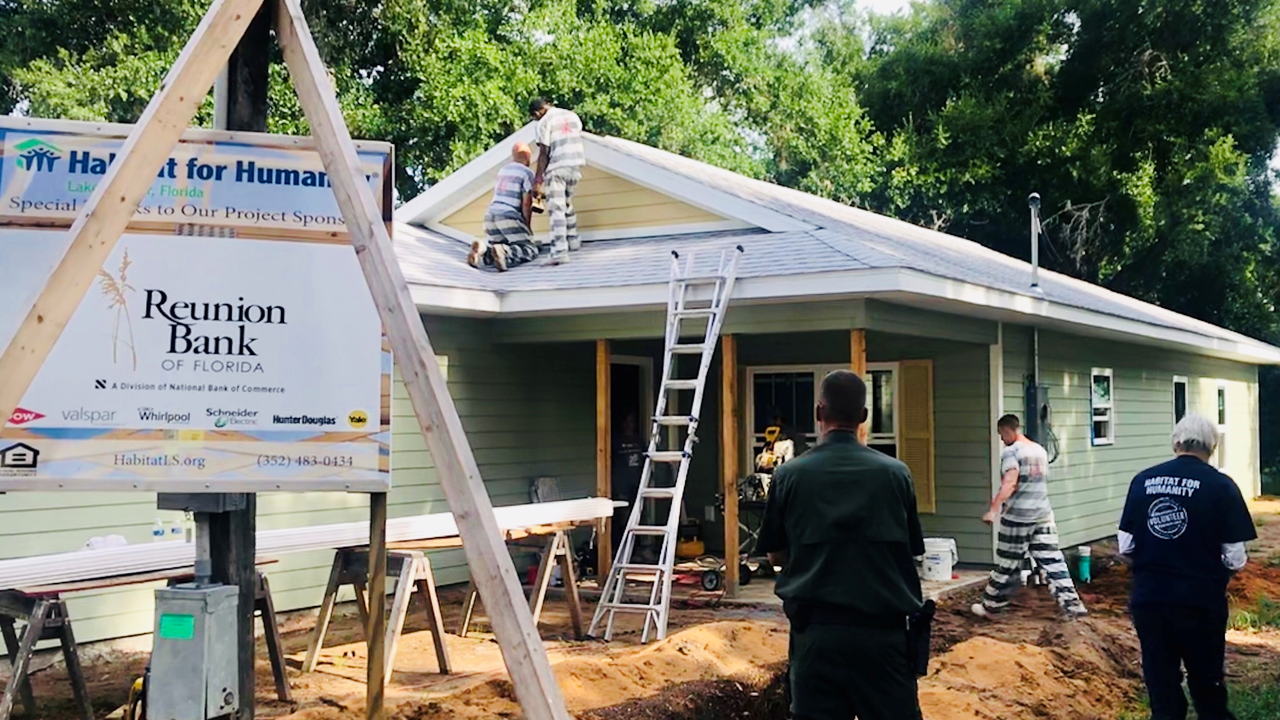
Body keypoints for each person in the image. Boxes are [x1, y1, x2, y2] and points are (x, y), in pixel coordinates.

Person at [758, 370, 925, 720]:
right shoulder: (896, 474)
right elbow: (910, 550)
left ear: (820, 412)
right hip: (885, 638)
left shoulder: (790, 475)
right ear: (864, 417)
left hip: (817, 638)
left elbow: (775, 552)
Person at [1118, 414, 1256, 720]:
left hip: (1150, 599)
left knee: (1161, 680)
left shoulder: (1142, 480)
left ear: (1176, 442)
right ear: (1212, 446)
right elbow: (1235, 558)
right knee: (1207, 681)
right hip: (1200, 601)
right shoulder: (1222, 486)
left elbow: (1126, 547)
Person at [972, 414, 1087, 619]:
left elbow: (1010, 483)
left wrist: (993, 509)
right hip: (1043, 514)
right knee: (1053, 561)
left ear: (1008, 430)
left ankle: (991, 607)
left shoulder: (1012, 451)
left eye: (1001, 435)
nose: (1001, 439)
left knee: (1008, 562)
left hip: (1019, 516)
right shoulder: (1039, 450)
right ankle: (1073, 607)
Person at [467, 142, 540, 272]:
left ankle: (482, 251)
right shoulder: (527, 173)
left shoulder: (503, 170)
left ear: (513, 156)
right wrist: (526, 226)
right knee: (529, 250)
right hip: (508, 215)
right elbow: (526, 202)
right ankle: (504, 251)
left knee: (497, 251)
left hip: (490, 215)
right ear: (528, 158)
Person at [529, 97, 585, 265]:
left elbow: (544, 152)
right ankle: (573, 240)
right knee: (567, 204)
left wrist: (538, 179)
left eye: (534, 117)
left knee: (556, 209)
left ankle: (559, 251)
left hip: (557, 168)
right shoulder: (573, 116)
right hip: (575, 167)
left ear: (537, 112)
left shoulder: (544, 122)